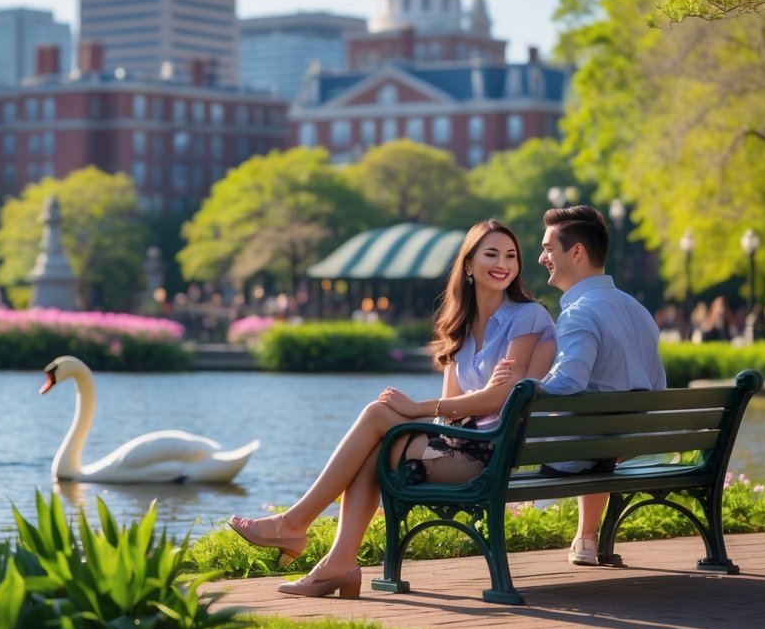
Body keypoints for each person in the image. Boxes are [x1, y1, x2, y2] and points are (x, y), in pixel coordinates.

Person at [228, 219, 556, 598]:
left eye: (511, 255)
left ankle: (298, 527)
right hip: (461, 441)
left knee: (377, 416)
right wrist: (464, 400)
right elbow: (452, 412)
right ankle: (336, 561)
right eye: (492, 253)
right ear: (467, 264)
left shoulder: (527, 316)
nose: (504, 263)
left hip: (490, 452)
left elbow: (501, 399)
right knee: (375, 444)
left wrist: (420, 407)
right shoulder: (460, 327)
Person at [536, 205, 666, 565]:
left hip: (586, 449)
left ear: (576, 251)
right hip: (622, 445)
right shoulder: (637, 310)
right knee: (597, 433)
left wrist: (527, 388)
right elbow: (658, 386)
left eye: (548, 248)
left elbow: (569, 381)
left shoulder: (579, 312)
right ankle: (587, 539)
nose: (541, 257)